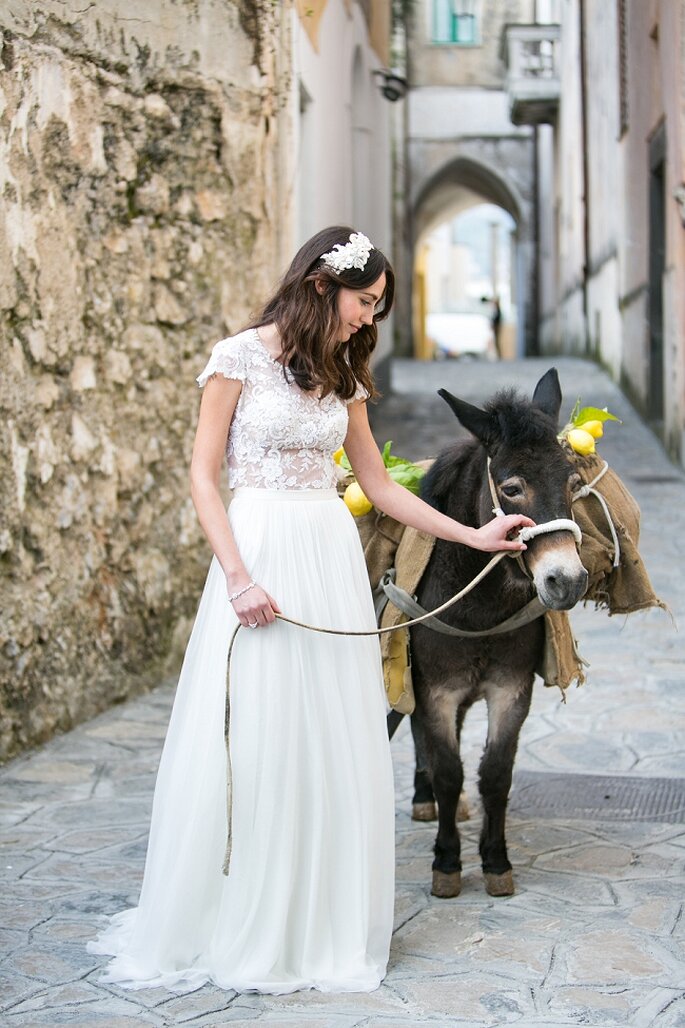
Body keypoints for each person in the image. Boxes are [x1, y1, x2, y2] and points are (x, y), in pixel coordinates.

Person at [88, 226, 532, 995]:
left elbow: (382, 487)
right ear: (322, 284)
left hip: (326, 553)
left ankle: (314, 918)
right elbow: (202, 477)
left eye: (378, 307)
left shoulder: (344, 376)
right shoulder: (236, 359)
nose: (369, 319)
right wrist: (236, 577)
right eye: (365, 301)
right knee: (259, 732)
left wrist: (474, 533)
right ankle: (242, 912)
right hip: (258, 551)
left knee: (327, 733)